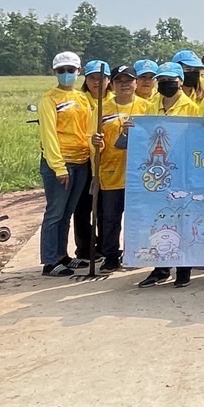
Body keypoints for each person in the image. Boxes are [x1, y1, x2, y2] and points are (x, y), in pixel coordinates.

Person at [138, 62, 204, 288]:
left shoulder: (192, 108)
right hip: (157, 172)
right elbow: (144, 134)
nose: (166, 84)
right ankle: (160, 267)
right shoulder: (149, 106)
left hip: (183, 170)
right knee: (159, 218)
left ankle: (183, 268)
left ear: (181, 82)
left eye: (171, 81)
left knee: (183, 218)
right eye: (162, 80)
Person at [37, 51, 94, 277]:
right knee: (54, 213)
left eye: (71, 70)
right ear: (55, 72)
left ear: (78, 72)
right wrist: (58, 167)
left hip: (81, 162)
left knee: (67, 212)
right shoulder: (49, 100)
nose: (67, 74)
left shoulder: (82, 99)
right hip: (61, 164)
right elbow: (48, 135)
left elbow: (88, 129)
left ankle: (62, 255)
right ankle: (50, 261)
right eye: (62, 71)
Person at [92, 65, 149, 272]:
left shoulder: (146, 107)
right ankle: (110, 256)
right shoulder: (101, 108)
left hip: (138, 174)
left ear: (136, 83)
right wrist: (96, 142)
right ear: (112, 84)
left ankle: (135, 254)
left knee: (138, 217)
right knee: (110, 219)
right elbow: (94, 139)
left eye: (129, 80)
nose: (124, 84)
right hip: (110, 171)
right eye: (119, 81)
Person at [73, 59, 113, 264]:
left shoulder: (115, 100)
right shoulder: (79, 100)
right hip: (84, 159)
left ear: (109, 80)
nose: (97, 82)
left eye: (102, 78)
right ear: (86, 80)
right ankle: (85, 247)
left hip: (107, 161)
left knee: (106, 207)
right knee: (83, 206)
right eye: (92, 78)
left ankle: (107, 246)